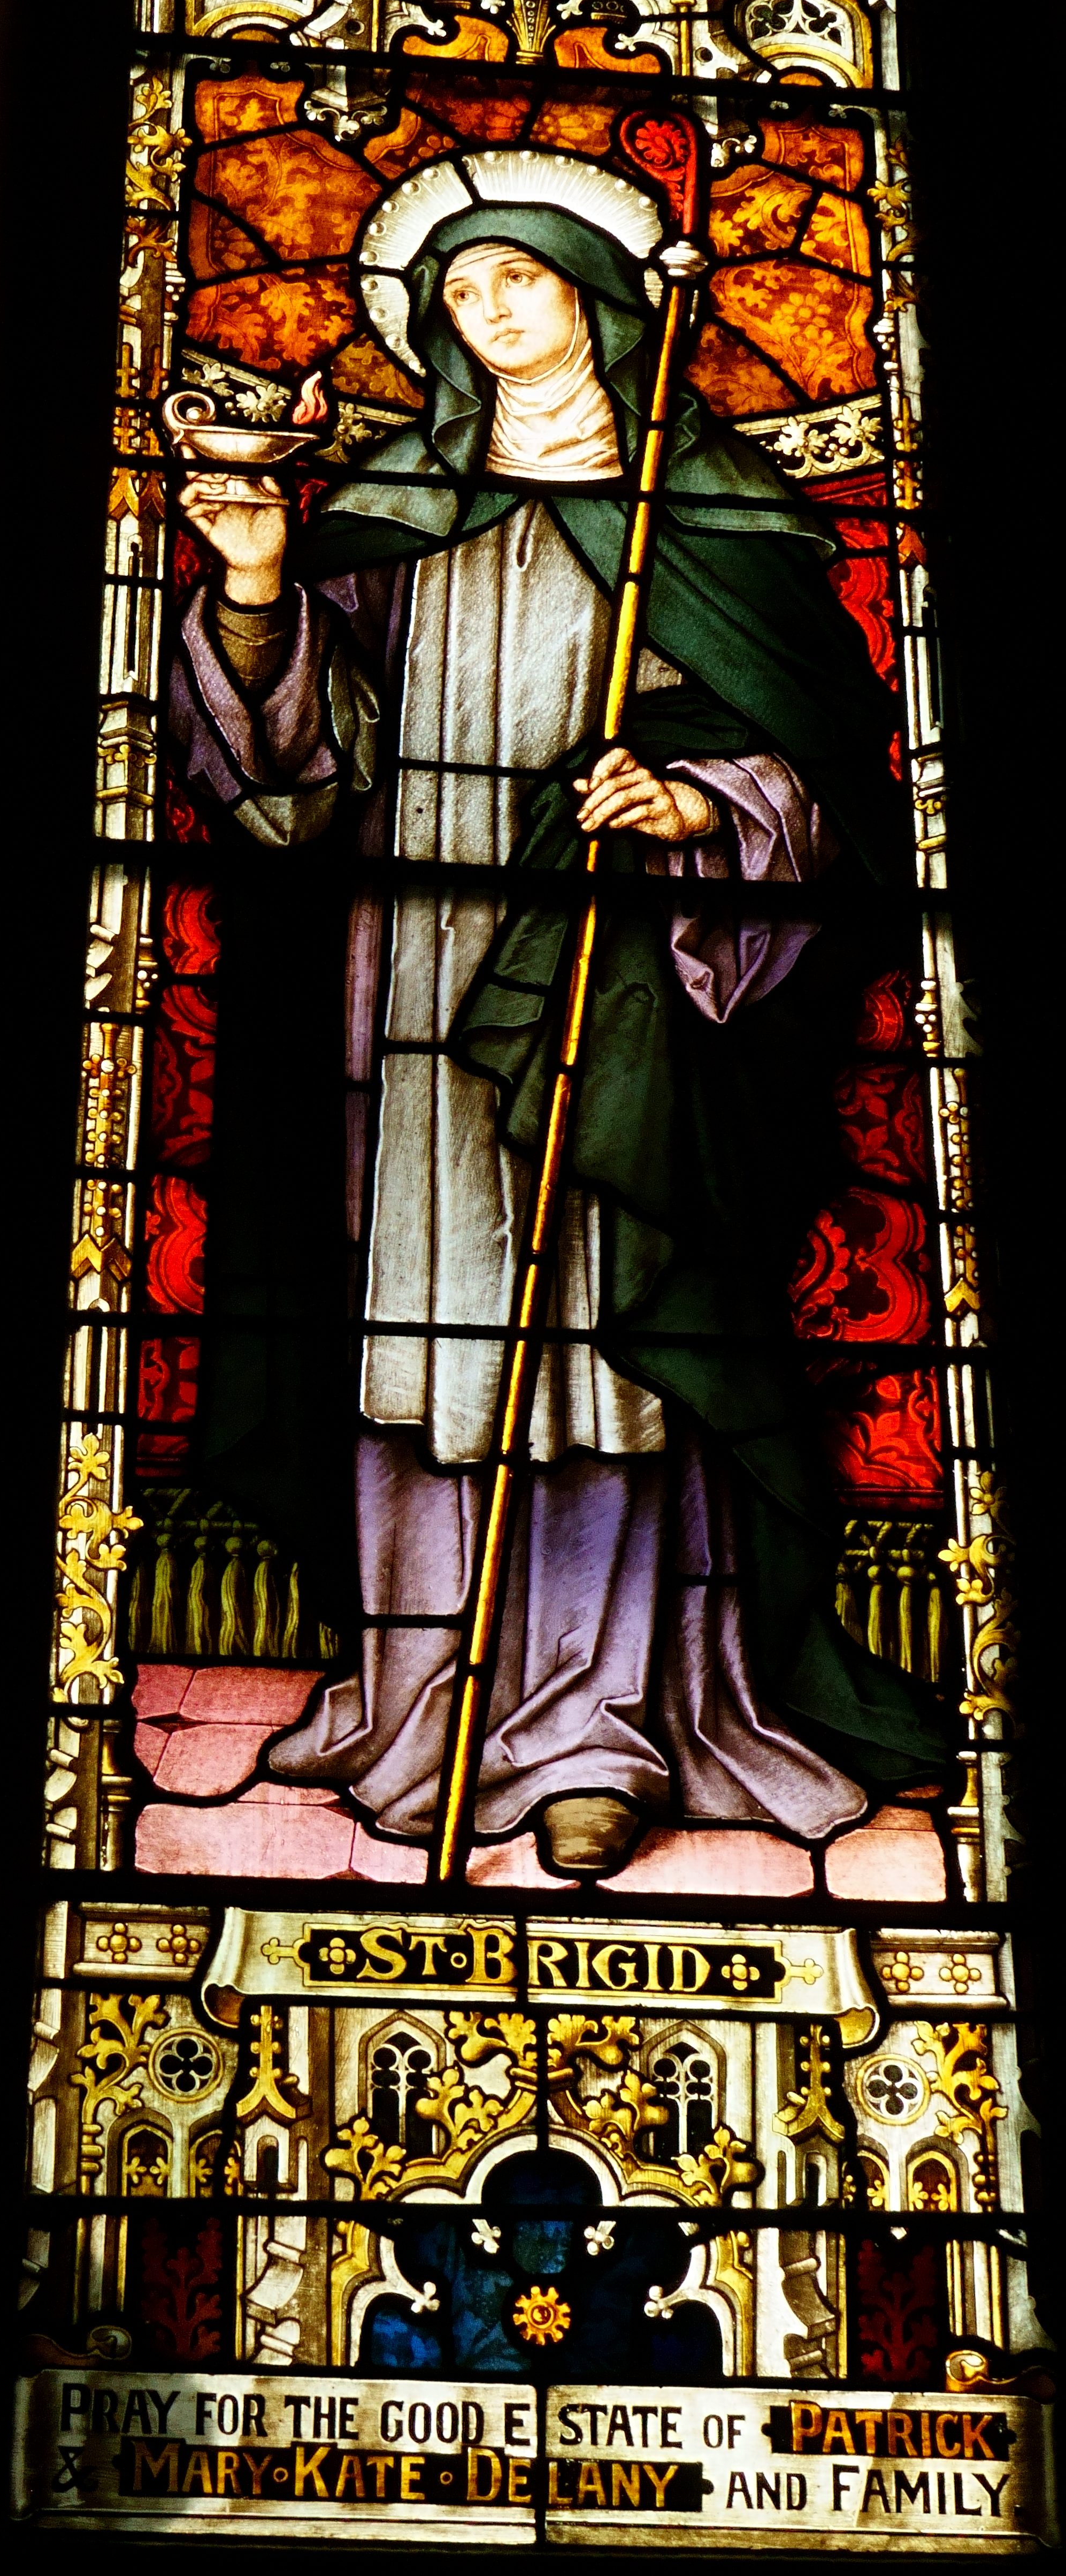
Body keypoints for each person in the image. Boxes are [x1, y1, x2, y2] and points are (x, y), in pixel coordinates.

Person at [171, 160, 947, 1874]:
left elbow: (826, 779)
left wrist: (696, 804)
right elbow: (297, 778)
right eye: (458, 292)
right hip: (415, 973)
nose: (489, 312)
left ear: (595, 296)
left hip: (623, 973)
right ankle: (420, 1695)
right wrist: (259, 587)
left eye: (516, 277)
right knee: (434, 1324)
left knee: (597, 1333)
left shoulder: (712, 512)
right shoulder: (397, 507)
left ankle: (603, 1724)